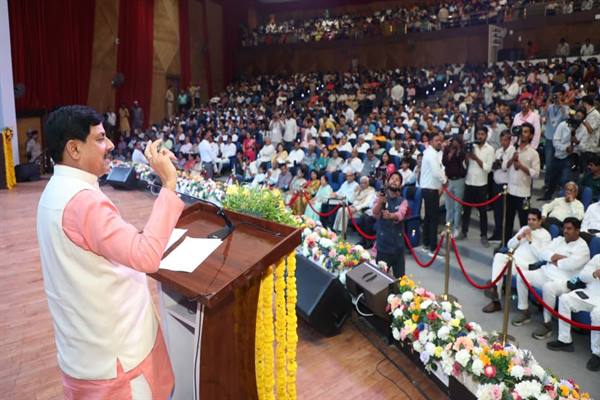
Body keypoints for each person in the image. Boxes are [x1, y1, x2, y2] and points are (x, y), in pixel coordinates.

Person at [38, 105, 182, 399]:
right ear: (74, 149)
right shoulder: (84, 201)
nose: (111, 145)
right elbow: (146, 256)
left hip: (85, 351)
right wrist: (169, 184)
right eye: (100, 138)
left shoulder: (55, 190)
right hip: (119, 359)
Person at [512, 218, 590, 340]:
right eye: (564, 228)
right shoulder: (559, 240)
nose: (565, 231)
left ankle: (547, 323)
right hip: (545, 273)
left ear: (577, 230)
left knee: (548, 287)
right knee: (522, 276)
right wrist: (555, 256)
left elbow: (570, 265)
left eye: (569, 229)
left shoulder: (582, 248)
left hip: (563, 281)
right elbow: (543, 253)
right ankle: (524, 311)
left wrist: (554, 259)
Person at [482, 209, 551, 313]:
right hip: (513, 259)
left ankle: (495, 293)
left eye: (534, 220)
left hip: (526, 266)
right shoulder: (525, 228)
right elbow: (510, 245)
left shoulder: (545, 235)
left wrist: (530, 240)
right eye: (529, 219)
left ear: (540, 221)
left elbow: (541, 256)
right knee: (499, 256)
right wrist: (519, 237)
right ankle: (495, 290)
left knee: (499, 266)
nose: (530, 222)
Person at [546, 254, 600, 372]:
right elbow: (583, 276)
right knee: (565, 299)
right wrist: (594, 274)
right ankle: (565, 340)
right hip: (590, 293)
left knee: (597, 314)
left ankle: (597, 354)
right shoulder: (597, 258)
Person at [504, 122, 540, 242]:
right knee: (508, 220)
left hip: (524, 193)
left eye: (526, 132)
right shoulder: (512, 149)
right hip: (510, 191)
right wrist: (512, 159)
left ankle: (523, 245)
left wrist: (521, 166)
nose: (523, 134)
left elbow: (536, 173)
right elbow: (504, 166)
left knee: (523, 222)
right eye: (522, 131)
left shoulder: (534, 153)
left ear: (531, 135)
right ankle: (506, 243)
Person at [460, 127, 494, 246]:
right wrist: (467, 157)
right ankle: (464, 231)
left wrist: (476, 158)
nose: (480, 136)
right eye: (478, 134)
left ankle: (483, 235)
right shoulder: (471, 146)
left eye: (482, 134)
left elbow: (488, 168)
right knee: (466, 210)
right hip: (469, 182)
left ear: (486, 136)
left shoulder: (490, 149)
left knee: (482, 212)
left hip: (481, 184)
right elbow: (465, 166)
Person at [372, 172, 409, 278]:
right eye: (392, 179)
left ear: (400, 185)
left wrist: (391, 216)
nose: (394, 181)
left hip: (398, 248)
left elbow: (401, 214)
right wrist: (380, 202)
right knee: (380, 279)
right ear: (388, 182)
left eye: (397, 180)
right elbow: (375, 213)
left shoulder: (403, 201)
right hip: (383, 246)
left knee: (400, 280)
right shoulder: (380, 197)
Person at [420, 133, 446, 256]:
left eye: (440, 140)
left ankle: (426, 244)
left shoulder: (430, 153)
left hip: (428, 188)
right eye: (436, 140)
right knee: (433, 219)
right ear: (430, 142)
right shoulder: (431, 154)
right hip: (431, 189)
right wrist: (444, 180)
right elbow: (436, 172)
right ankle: (433, 248)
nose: (439, 142)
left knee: (428, 218)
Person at [541, 115, 575, 200]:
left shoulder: (581, 129)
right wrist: (565, 148)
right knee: (553, 178)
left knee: (565, 179)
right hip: (558, 155)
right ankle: (548, 195)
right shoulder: (562, 125)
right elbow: (555, 141)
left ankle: (564, 198)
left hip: (570, 157)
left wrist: (575, 144)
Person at [489, 131, 515, 243]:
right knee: (497, 210)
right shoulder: (498, 151)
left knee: (504, 211)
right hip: (496, 182)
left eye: (505, 140)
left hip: (506, 184)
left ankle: (504, 234)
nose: (503, 142)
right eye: (502, 140)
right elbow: (494, 165)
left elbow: (506, 166)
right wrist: (497, 164)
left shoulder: (512, 150)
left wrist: (501, 164)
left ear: (509, 140)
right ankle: (497, 232)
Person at [442, 135, 466, 238]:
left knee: (457, 206)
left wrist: (458, 150)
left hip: (459, 180)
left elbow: (461, 161)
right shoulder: (447, 150)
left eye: (456, 142)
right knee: (449, 207)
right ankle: (448, 227)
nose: (454, 144)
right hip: (449, 180)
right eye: (453, 141)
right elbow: (444, 162)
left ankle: (456, 228)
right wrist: (448, 153)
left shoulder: (462, 151)